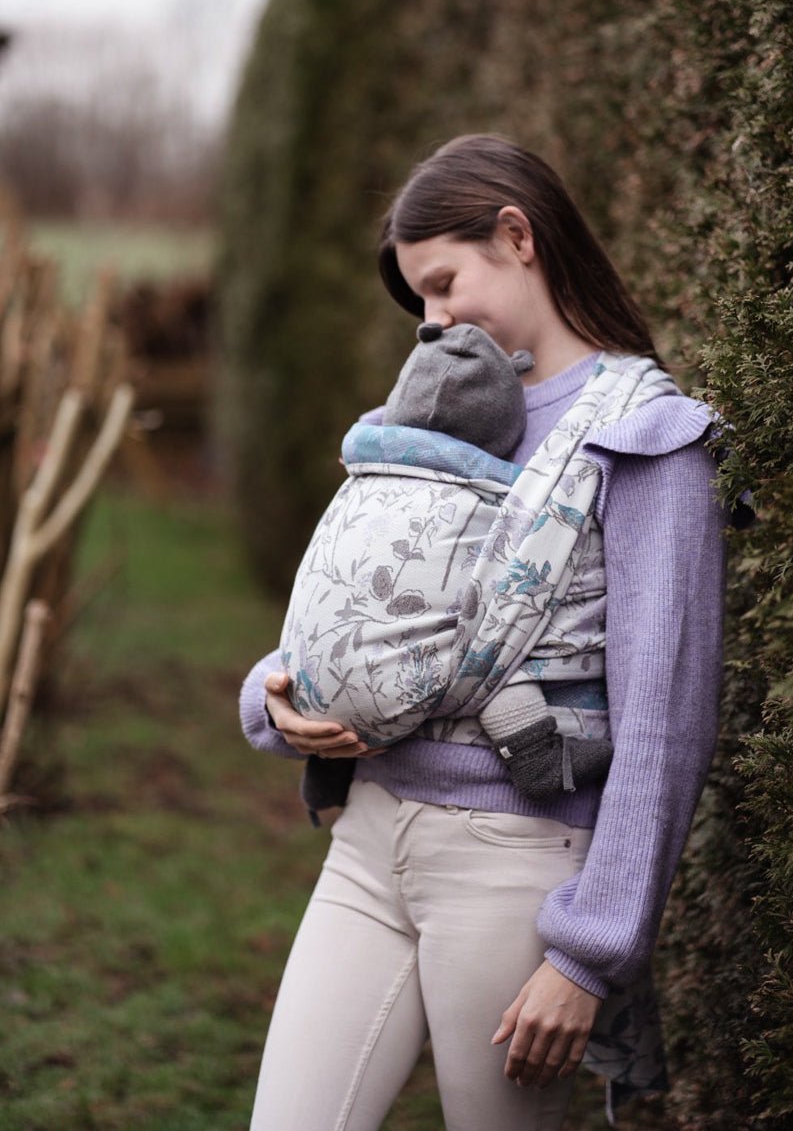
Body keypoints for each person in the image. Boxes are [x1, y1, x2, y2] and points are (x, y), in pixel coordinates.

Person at [239, 134, 730, 1130]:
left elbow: (662, 721)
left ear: (517, 236)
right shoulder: (441, 413)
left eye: (442, 281)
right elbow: (359, 599)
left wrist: (589, 951)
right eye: (417, 298)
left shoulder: (645, 435)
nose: (432, 321)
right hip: (367, 842)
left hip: (511, 867)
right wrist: (280, 693)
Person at [280, 316, 615, 807]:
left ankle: (327, 770)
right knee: (495, 640)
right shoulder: (502, 491)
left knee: (335, 600)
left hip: (303, 681)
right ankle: (537, 756)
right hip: (400, 699)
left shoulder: (362, 466)